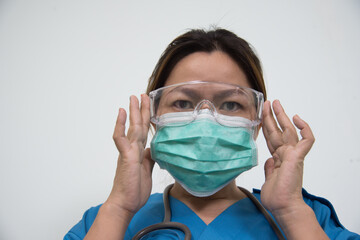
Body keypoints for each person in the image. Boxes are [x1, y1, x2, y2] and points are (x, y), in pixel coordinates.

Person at [64, 28, 359, 240]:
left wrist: (291, 211)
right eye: (182, 103)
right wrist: (119, 208)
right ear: (154, 119)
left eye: (231, 104)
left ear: (257, 123)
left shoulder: (311, 219)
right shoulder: (105, 221)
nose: (206, 121)